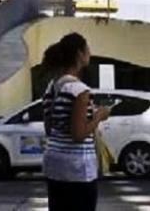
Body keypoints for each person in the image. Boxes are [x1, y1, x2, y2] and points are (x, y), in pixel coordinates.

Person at [41, 32, 110, 211]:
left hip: (54, 163)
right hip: (78, 168)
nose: (90, 53)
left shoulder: (53, 87)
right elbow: (78, 135)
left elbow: (50, 129)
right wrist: (98, 117)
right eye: (87, 49)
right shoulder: (80, 90)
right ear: (79, 54)